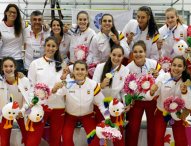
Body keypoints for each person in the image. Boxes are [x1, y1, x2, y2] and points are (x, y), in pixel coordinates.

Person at [52, 60, 110, 146]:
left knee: (94, 141)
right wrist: (53, 90)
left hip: (88, 115)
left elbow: (101, 103)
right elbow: (55, 96)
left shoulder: (93, 84)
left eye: (82, 69)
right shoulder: (67, 84)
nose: (80, 72)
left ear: (86, 71)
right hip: (70, 116)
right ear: (73, 71)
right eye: (77, 69)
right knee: (66, 140)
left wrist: (107, 118)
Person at [26, 36, 65, 146]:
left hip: (58, 105)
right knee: (33, 138)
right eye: (48, 45)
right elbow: (31, 85)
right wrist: (31, 103)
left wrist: (56, 90)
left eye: (53, 46)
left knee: (56, 138)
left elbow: (64, 86)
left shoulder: (61, 65)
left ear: (57, 47)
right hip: (40, 105)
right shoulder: (35, 63)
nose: (50, 48)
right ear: (44, 47)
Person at [125, 40, 164, 146]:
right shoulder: (128, 68)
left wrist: (158, 77)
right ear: (132, 53)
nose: (138, 54)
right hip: (136, 102)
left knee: (153, 129)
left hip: (152, 101)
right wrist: (129, 100)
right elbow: (125, 87)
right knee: (133, 129)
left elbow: (163, 79)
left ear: (145, 52)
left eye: (141, 51)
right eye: (135, 52)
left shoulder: (154, 64)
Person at [92, 44, 130, 146]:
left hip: (115, 107)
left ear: (123, 57)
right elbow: (92, 87)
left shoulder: (125, 71)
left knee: (118, 135)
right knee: (100, 135)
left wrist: (127, 102)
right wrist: (102, 85)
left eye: (119, 56)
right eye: (114, 55)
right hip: (100, 106)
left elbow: (124, 91)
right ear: (109, 54)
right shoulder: (100, 67)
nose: (116, 58)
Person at [150, 56, 191, 146]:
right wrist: (152, 91)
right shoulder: (163, 77)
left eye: (179, 66)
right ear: (170, 66)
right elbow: (152, 93)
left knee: (181, 138)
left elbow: (189, 105)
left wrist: (184, 93)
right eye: (174, 65)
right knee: (158, 136)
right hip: (161, 111)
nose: (176, 68)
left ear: (184, 68)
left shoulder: (187, 81)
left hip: (178, 113)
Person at [0, 57, 32, 146]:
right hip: (5, 114)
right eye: (5, 66)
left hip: (22, 112)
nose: (8, 69)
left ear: (15, 67)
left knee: (27, 139)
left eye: (11, 66)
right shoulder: (0, 81)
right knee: (4, 141)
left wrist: (22, 112)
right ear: (2, 68)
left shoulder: (24, 80)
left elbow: (28, 101)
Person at [0, 4, 28, 74]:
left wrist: (45, 26)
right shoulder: (1, 26)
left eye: (14, 13)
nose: (12, 14)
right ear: (6, 12)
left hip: (17, 58)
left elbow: (34, 26)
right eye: (10, 12)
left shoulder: (22, 24)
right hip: (3, 59)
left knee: (20, 81)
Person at [23, 10, 50, 76]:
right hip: (28, 66)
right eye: (34, 19)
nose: (37, 22)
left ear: (43, 21)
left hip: (43, 66)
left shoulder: (48, 32)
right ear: (31, 21)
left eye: (39, 20)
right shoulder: (25, 31)